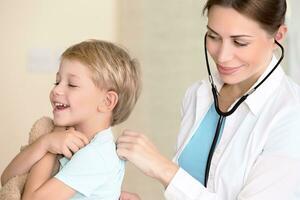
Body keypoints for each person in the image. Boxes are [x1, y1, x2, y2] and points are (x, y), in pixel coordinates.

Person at [117, 0, 300, 199]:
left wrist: (164, 170)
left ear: (278, 36)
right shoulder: (198, 94)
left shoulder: (291, 115)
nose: (222, 56)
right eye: (213, 36)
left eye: (240, 42)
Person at [1, 39, 141, 199]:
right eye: (57, 81)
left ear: (106, 101)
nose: (56, 90)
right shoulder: (64, 139)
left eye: (72, 84)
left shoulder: (97, 155)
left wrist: (50, 147)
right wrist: (44, 143)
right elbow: (7, 178)